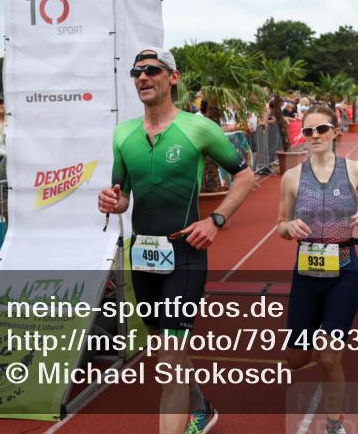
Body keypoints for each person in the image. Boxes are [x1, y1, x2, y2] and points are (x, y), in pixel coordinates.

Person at [97, 47, 255, 434]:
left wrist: (216, 219)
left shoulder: (198, 128)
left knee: (168, 354)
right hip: (144, 257)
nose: (142, 77)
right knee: (166, 350)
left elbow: (246, 175)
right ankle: (202, 408)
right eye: (137, 72)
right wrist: (112, 201)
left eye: (152, 70)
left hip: (184, 253)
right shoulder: (123, 134)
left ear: (173, 78)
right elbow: (122, 196)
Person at [277, 105, 358, 434]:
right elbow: (280, 226)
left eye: (321, 129)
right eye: (308, 130)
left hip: (344, 272)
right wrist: (291, 228)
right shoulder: (291, 177)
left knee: (328, 357)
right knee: (296, 360)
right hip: (306, 275)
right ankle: (321, 340)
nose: (314, 136)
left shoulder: (355, 170)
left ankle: (333, 422)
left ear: (335, 131)